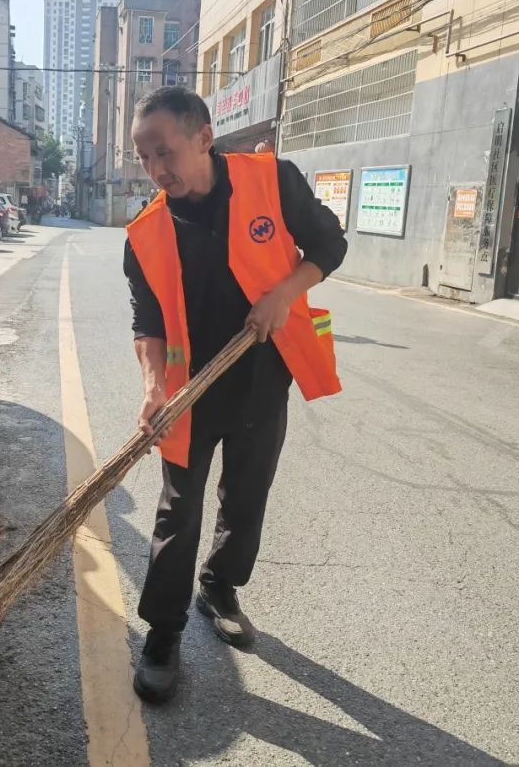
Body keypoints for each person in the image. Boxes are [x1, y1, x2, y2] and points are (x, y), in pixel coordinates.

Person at [123, 86, 348, 703]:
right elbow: (147, 321)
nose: (156, 169)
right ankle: (163, 632)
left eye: (164, 152)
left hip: (262, 375)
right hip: (188, 391)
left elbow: (329, 244)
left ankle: (220, 588)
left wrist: (282, 295)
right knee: (178, 511)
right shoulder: (144, 232)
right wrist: (153, 388)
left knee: (246, 497)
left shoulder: (272, 180)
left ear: (203, 138)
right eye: (144, 158)